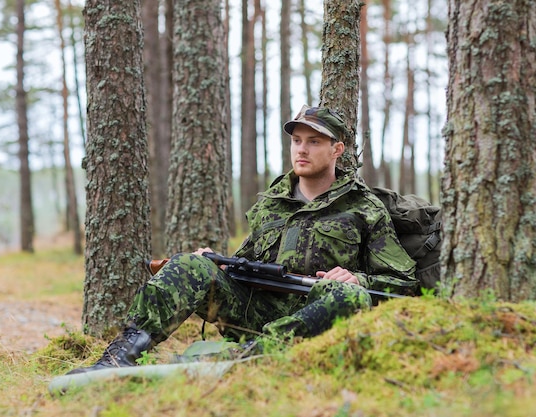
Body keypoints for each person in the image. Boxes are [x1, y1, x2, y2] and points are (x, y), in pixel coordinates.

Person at [67, 105, 417, 374]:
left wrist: (358, 278)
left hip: (316, 318)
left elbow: (403, 282)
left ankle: (248, 360)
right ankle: (119, 358)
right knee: (190, 264)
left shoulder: (364, 207)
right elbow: (248, 260)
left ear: (337, 149)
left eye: (314, 142)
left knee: (348, 294)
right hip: (254, 314)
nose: (302, 150)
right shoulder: (270, 204)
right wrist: (217, 263)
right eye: (297, 141)